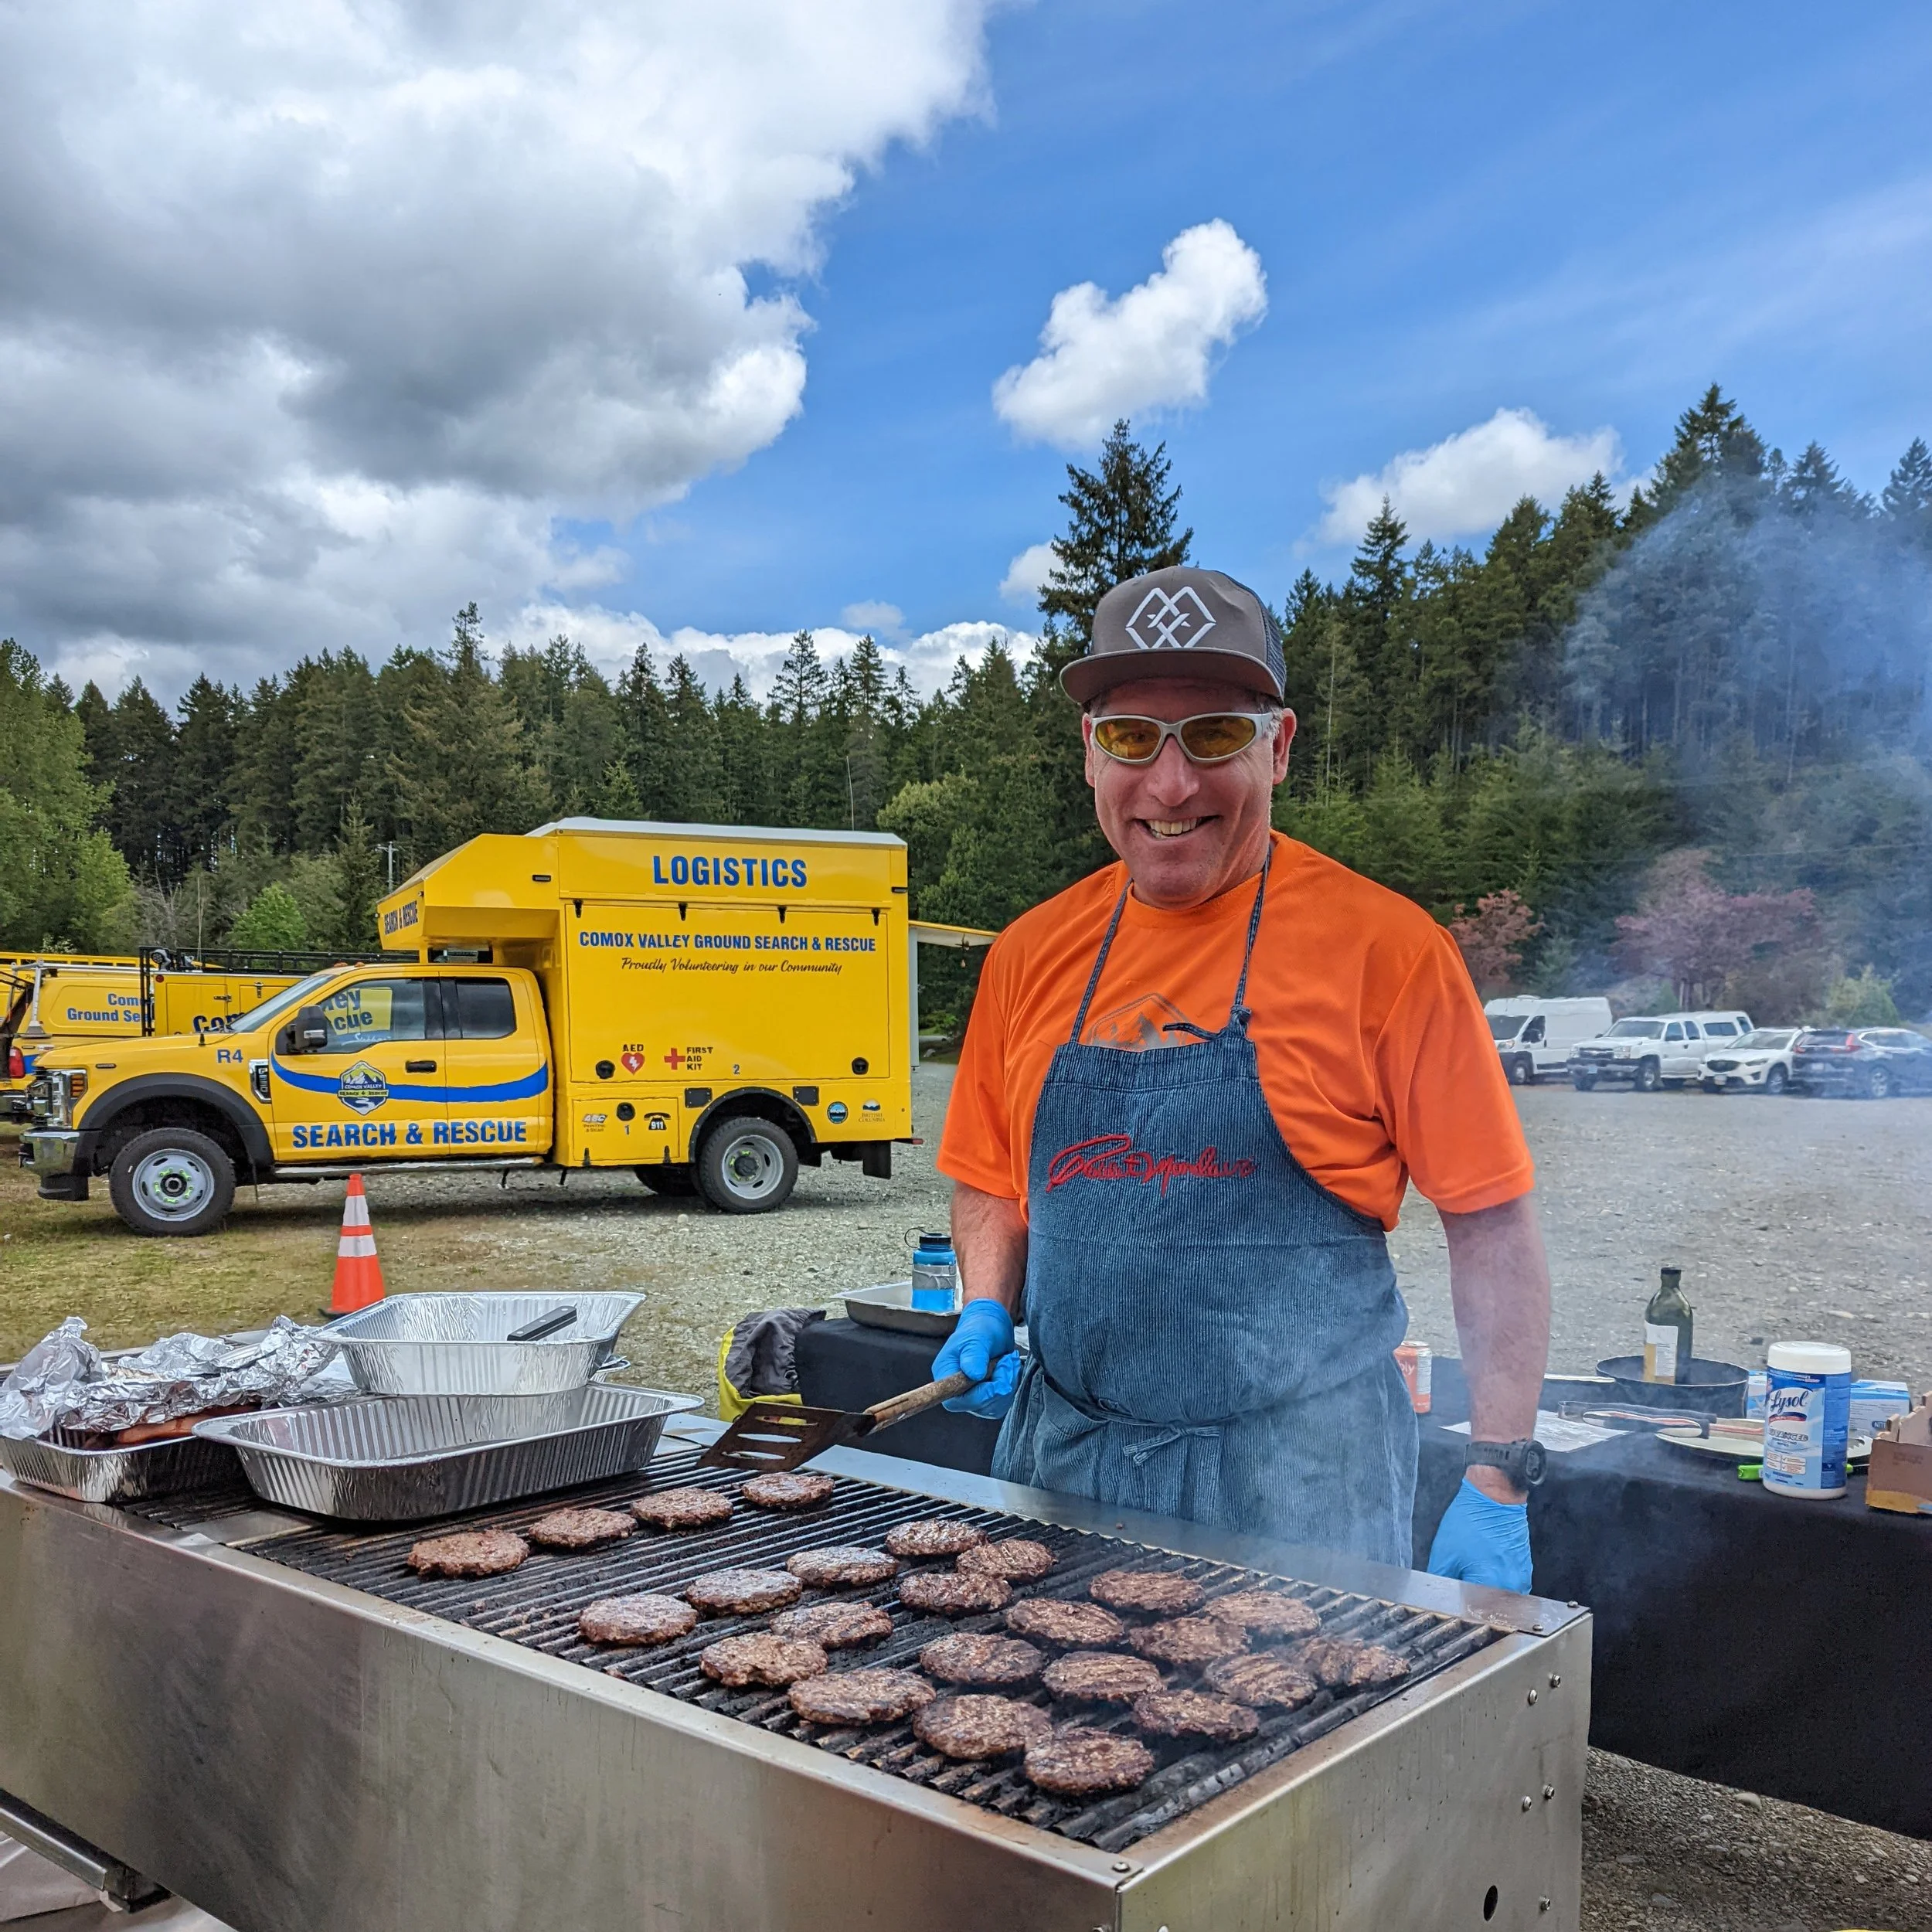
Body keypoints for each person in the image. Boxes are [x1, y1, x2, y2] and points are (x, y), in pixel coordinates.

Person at [932, 565, 1551, 1590]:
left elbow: (1490, 1224)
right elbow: (991, 1177)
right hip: (1068, 1468)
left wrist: (1498, 1475)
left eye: (1214, 734)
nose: (1170, 786)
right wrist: (986, 1301)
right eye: (1132, 736)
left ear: (1281, 744)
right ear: (1089, 753)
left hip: (1304, 1487)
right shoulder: (1029, 955)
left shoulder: (1387, 952)